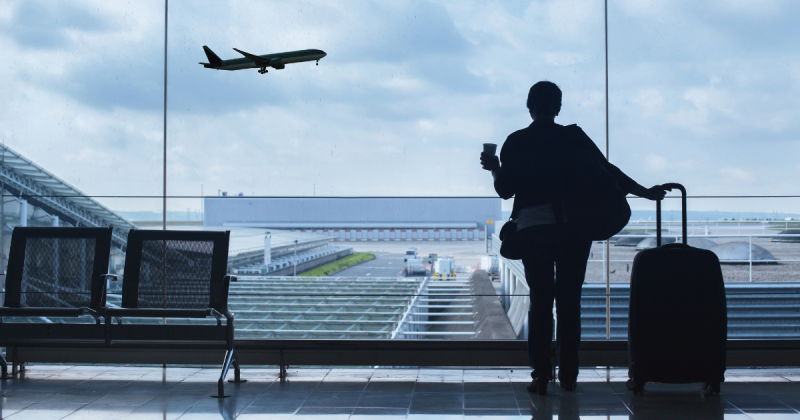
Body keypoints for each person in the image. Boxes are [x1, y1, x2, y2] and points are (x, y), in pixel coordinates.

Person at [480, 81, 665, 395]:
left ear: (530, 106)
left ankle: (540, 375)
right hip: (573, 229)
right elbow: (608, 172)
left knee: (541, 302)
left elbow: (505, 190)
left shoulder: (517, 141)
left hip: (533, 230)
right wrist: (645, 192)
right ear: (558, 107)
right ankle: (568, 376)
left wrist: (495, 168)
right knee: (569, 303)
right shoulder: (573, 136)